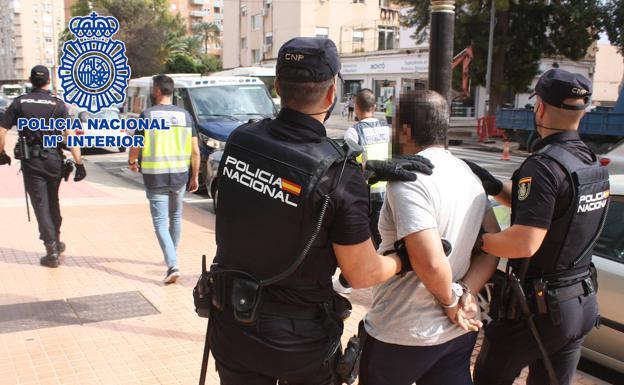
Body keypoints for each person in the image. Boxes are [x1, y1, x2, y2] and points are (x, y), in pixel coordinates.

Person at [207, 37, 434, 385]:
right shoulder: (338, 175)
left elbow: (277, 194)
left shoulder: (240, 140)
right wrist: (403, 258)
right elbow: (361, 274)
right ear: (331, 95)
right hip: (298, 343)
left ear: (278, 87)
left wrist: (362, 173)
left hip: (232, 325)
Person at [467, 69, 609, 385]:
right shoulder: (589, 163)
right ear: (582, 111)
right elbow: (547, 212)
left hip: (539, 310)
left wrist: (482, 242)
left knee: (490, 377)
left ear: (540, 108)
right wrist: (492, 185)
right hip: (580, 303)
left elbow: (525, 242)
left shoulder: (543, 166)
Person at [359, 90, 499, 385]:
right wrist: (466, 293)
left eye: (394, 124)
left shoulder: (408, 178)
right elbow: (490, 246)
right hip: (455, 335)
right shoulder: (468, 175)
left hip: (402, 333)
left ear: (406, 129)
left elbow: (430, 263)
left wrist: (451, 303)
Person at [0, 65, 86, 268]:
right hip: (54, 161)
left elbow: (1, 132)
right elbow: (70, 137)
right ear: (48, 81)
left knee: (41, 204)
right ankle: (56, 240)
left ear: (31, 80)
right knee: (53, 201)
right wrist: (79, 163)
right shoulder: (59, 105)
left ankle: (51, 250)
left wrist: (1, 153)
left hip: (33, 162)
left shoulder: (20, 103)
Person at [128, 74, 201, 284]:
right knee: (176, 217)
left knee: (160, 222)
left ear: (158, 90)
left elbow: (136, 146)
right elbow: (195, 151)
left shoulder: (148, 116)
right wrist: (194, 175)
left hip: (155, 177)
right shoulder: (185, 116)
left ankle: (172, 264)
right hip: (179, 176)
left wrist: (132, 161)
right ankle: (172, 254)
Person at [333, 88, 391, 294]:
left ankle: (349, 281)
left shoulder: (354, 132)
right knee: (384, 236)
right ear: (375, 108)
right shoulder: (388, 129)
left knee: (364, 240)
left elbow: (347, 165)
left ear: (356, 108)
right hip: (390, 190)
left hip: (366, 192)